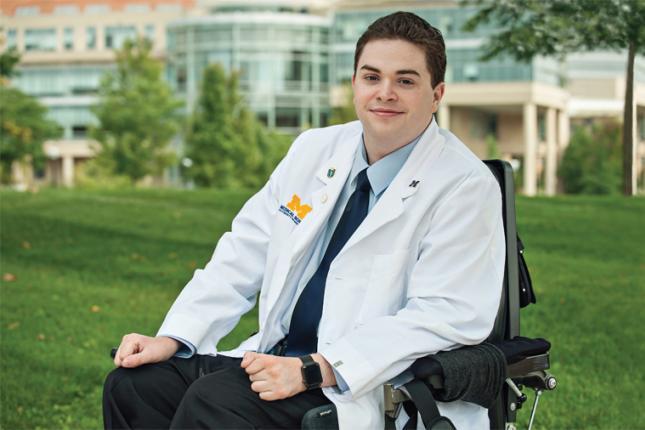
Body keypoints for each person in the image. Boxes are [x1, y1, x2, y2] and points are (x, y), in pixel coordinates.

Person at [103, 11, 505, 430]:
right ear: (354, 84)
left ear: (436, 94)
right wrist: (173, 337)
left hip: (364, 386)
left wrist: (316, 369)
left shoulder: (464, 186)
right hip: (275, 360)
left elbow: (444, 314)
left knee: (216, 402)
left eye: (405, 81)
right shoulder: (314, 149)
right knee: (135, 384)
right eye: (372, 78)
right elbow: (243, 253)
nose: (385, 93)